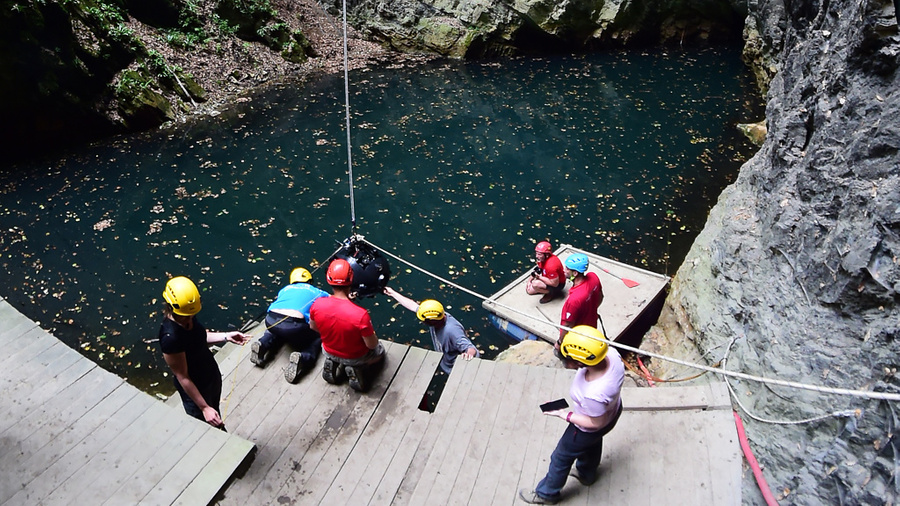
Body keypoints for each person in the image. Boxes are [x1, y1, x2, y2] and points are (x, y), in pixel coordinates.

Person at [519, 325, 624, 504]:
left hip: (587, 426)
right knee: (593, 443)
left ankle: (546, 494)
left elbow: (595, 423)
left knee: (560, 457)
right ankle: (587, 473)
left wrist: (564, 415)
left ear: (580, 362)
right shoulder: (612, 354)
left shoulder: (595, 393)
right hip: (613, 412)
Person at [159, 276, 250, 429]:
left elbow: (198, 338)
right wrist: (204, 407)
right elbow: (183, 377)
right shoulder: (170, 337)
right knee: (204, 425)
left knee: (216, 414)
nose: (190, 318)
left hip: (210, 376)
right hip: (195, 388)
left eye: (192, 314)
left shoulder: (188, 315)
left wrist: (226, 336)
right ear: (171, 307)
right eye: (186, 315)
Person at [310, 258, 385, 392]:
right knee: (380, 351)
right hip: (356, 357)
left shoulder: (317, 304)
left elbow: (313, 328)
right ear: (351, 278)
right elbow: (371, 345)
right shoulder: (360, 315)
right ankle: (357, 368)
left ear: (328, 278)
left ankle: (333, 362)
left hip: (328, 350)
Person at [250, 267, 329, 384]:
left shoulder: (285, 289)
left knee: (275, 331)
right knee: (317, 336)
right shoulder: (317, 292)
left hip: (270, 319)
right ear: (310, 281)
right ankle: (303, 357)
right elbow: (334, 301)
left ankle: (262, 344)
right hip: (294, 325)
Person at [382, 286, 479, 373]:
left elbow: (470, 348)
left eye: (424, 321)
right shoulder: (436, 314)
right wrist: (392, 293)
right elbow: (412, 305)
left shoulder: (451, 330)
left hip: (456, 367)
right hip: (445, 360)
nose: (423, 322)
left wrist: (468, 355)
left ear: (432, 321)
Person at [557, 253, 603, 346]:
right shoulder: (593, 277)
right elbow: (601, 296)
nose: (564, 270)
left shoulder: (574, 299)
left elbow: (567, 325)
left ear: (575, 273)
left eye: (567, 268)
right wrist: (592, 310)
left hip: (576, 336)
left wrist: (560, 342)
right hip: (591, 327)